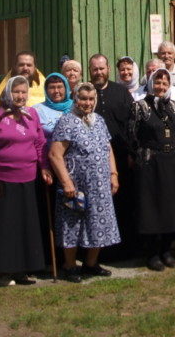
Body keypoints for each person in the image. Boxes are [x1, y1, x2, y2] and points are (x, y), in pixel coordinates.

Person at [0, 75, 53, 286]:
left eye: (23, 92)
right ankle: (3, 271)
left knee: (26, 227)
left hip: (29, 180)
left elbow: (39, 144)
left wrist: (44, 167)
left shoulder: (31, 115)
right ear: (7, 92)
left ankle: (22, 270)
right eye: (16, 92)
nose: (20, 96)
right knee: (6, 228)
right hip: (2, 181)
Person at [48, 83, 121, 281]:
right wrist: (66, 182)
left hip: (99, 183)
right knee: (72, 224)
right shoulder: (67, 121)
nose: (87, 103)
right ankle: (70, 266)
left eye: (90, 99)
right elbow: (55, 155)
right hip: (76, 184)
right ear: (75, 99)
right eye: (83, 99)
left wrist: (113, 173)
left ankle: (90, 264)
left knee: (98, 221)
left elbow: (107, 148)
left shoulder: (99, 120)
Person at [127, 68, 175, 271]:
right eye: (157, 82)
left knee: (170, 205)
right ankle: (152, 253)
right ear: (151, 84)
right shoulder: (140, 107)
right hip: (150, 163)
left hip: (172, 162)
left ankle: (166, 250)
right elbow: (132, 134)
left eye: (164, 83)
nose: (161, 86)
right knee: (152, 206)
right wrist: (139, 156)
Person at [89, 54, 139, 258]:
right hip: (92, 160)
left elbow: (131, 125)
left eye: (102, 68)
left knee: (123, 202)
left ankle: (125, 248)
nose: (99, 72)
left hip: (120, 155)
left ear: (108, 69)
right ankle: (99, 250)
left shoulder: (121, 92)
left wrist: (131, 153)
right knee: (98, 205)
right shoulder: (86, 93)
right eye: (95, 69)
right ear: (90, 70)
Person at [35, 73, 73, 141]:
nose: (56, 91)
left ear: (66, 89)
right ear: (46, 90)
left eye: (59, 87)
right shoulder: (37, 110)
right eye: (52, 87)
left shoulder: (76, 107)